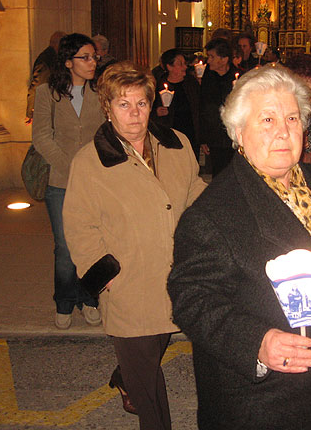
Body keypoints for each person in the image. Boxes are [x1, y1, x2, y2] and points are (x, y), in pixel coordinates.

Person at [168, 66, 311, 430]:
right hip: (266, 400)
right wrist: (257, 342)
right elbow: (192, 298)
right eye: (266, 119)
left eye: (292, 118)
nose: (283, 131)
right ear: (238, 132)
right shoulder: (213, 212)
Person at [62, 61, 206, 429]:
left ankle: (127, 375)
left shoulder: (177, 144)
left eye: (141, 103)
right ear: (107, 108)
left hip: (174, 275)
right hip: (128, 283)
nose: (134, 113)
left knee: (151, 351)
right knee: (150, 390)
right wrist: (102, 274)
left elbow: (194, 195)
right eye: (123, 105)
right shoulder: (91, 161)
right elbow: (79, 225)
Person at [32, 33, 106, 330]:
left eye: (94, 57)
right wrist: (71, 165)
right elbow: (41, 137)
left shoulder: (100, 93)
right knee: (64, 246)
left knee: (93, 244)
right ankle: (64, 301)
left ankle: (89, 299)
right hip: (60, 182)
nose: (92, 63)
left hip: (95, 182)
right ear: (68, 62)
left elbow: (106, 134)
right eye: (85, 57)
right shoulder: (46, 93)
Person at [199, 38, 239, 176]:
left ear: (224, 59)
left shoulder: (238, 77)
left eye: (212, 56)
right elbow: (203, 108)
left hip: (234, 136)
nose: (208, 60)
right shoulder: (208, 78)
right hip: (214, 136)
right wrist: (203, 138)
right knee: (218, 174)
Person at [151, 48, 201, 158]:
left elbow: (199, 107)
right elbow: (149, 111)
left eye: (184, 63)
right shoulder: (158, 85)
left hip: (190, 133)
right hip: (169, 135)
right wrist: (157, 112)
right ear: (169, 67)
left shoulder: (191, 83)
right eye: (180, 64)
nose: (185, 67)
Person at [26, 30, 65, 123]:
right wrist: (31, 111)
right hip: (49, 108)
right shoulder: (47, 60)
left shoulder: (53, 58)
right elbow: (38, 85)